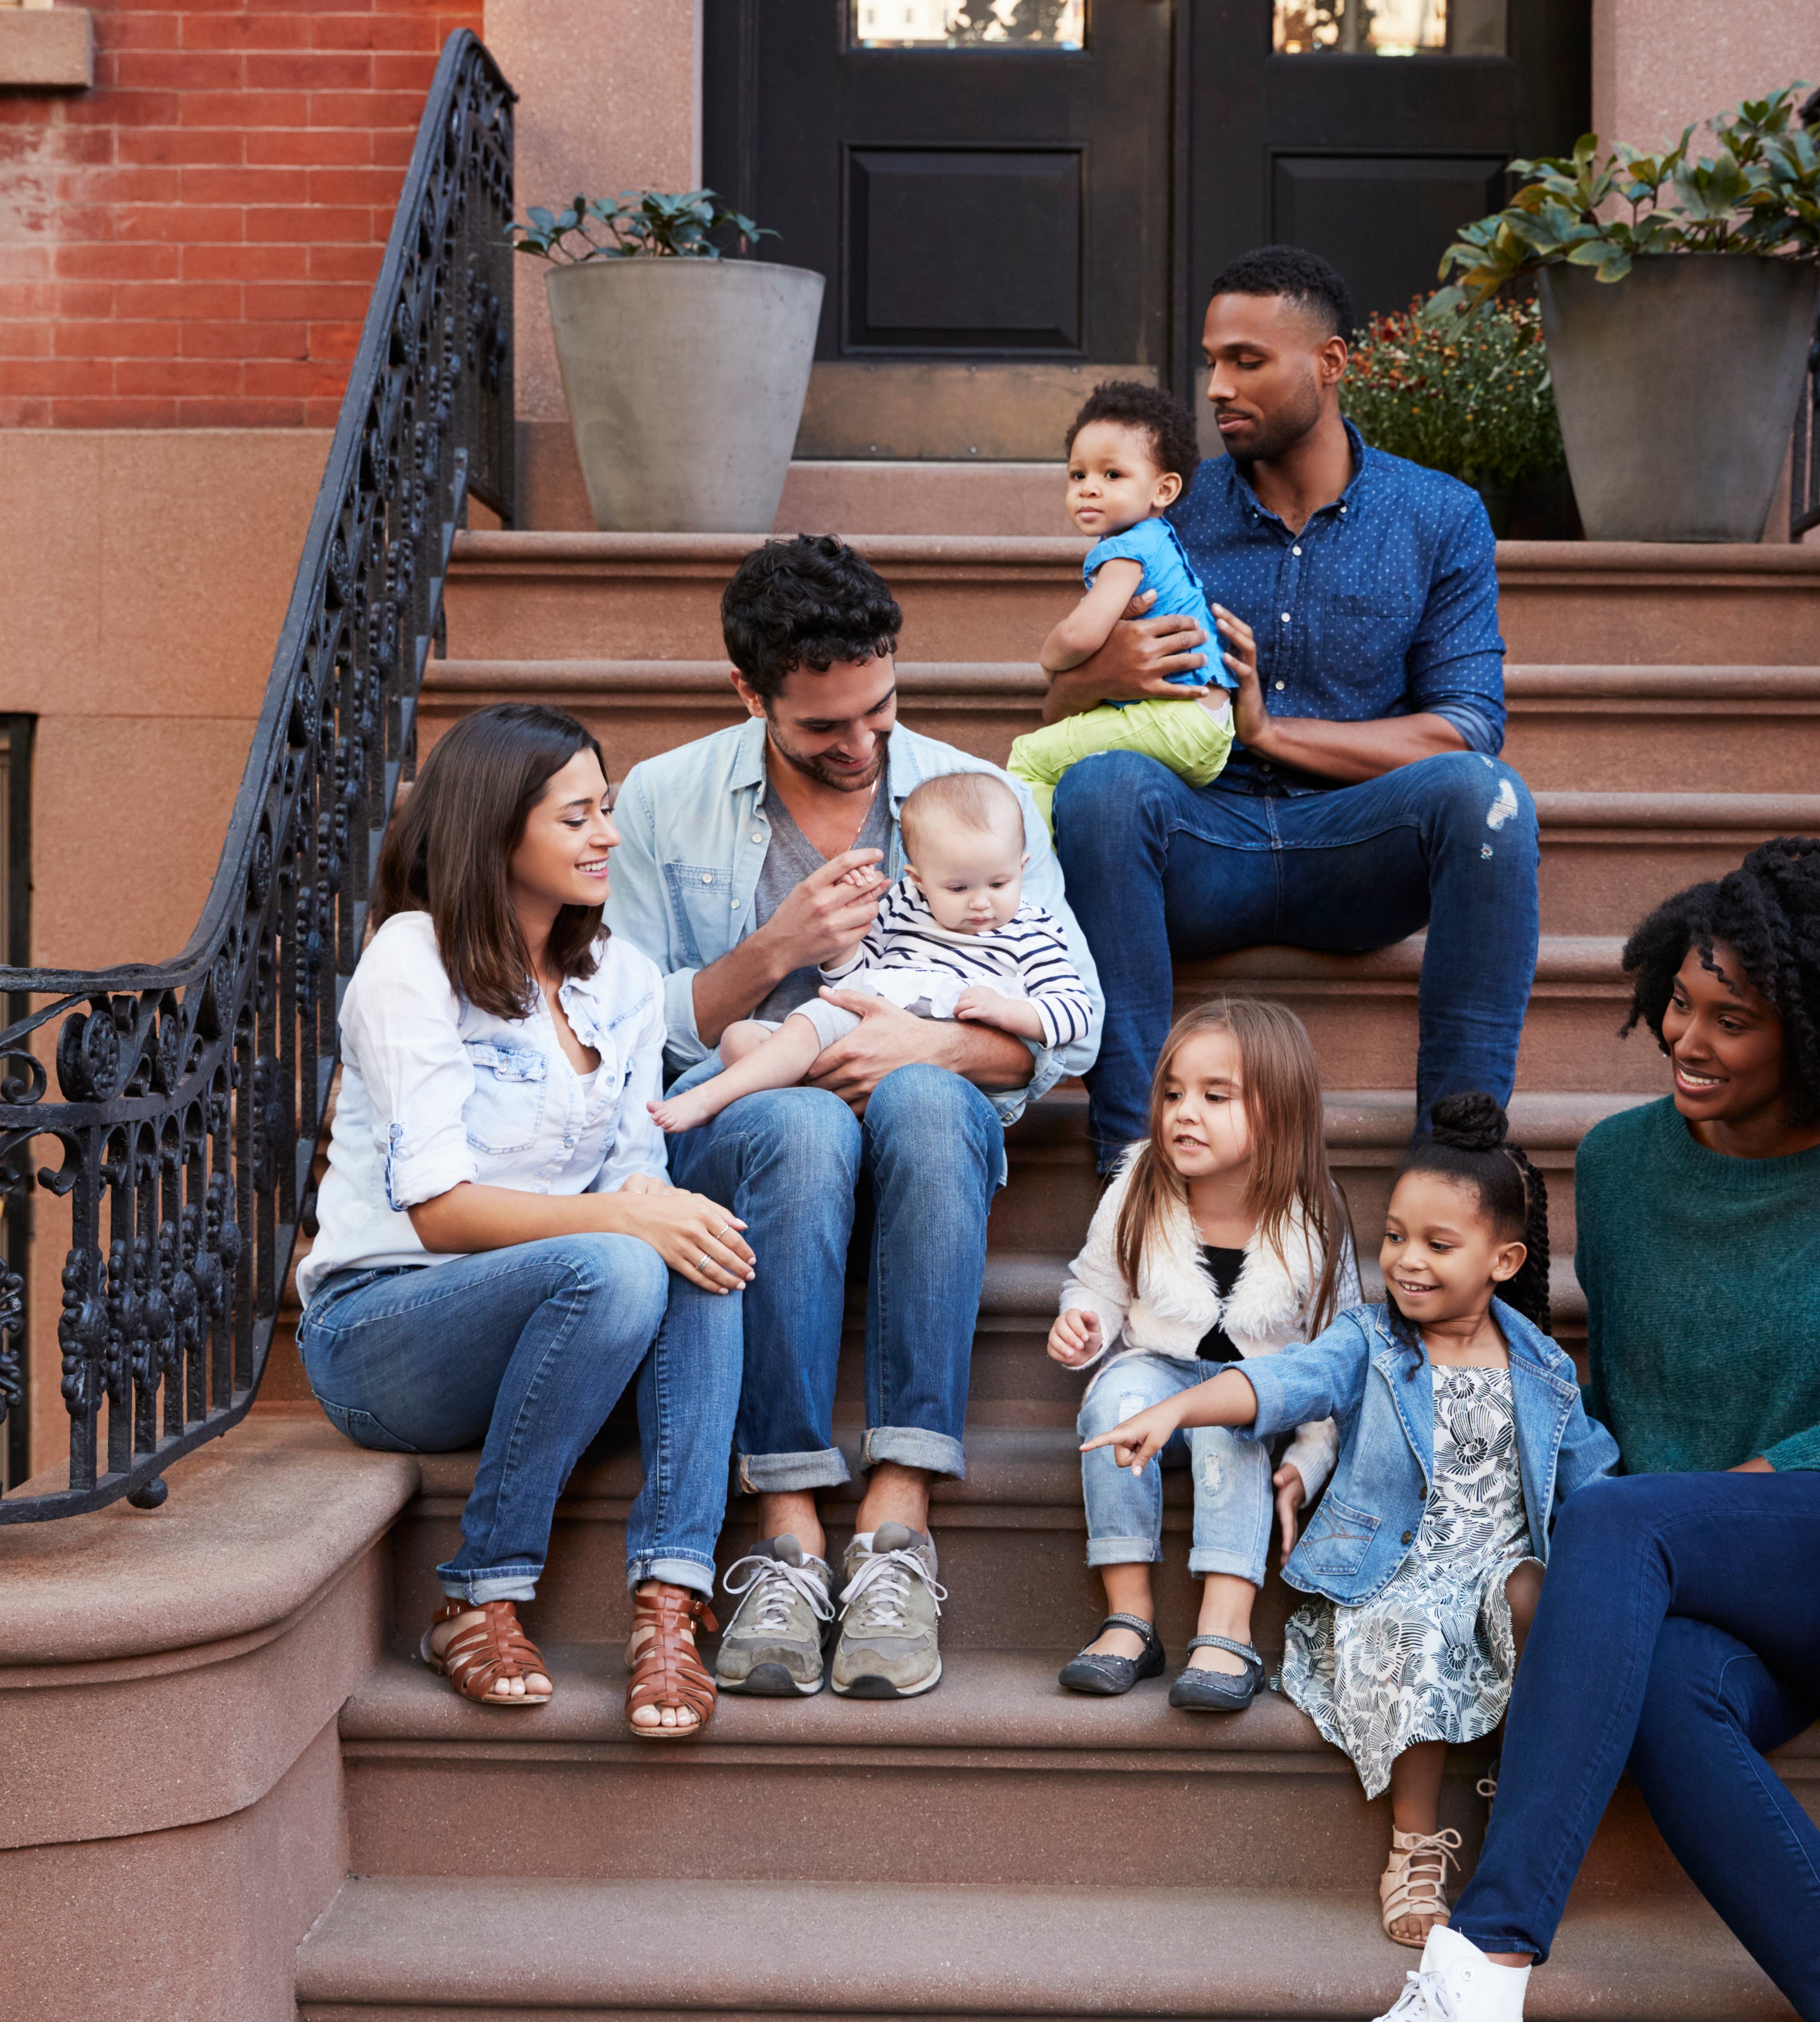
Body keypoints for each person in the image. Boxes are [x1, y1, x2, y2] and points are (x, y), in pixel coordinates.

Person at [1254, 837, 1820, 2022]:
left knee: (1618, 1525)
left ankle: (1485, 1979)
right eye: (1679, 1000)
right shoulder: (1619, 1163)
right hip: (1688, 1577)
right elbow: (1592, 1396)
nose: (1685, 1036)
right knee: (1656, 1683)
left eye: (1734, 1018)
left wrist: (1671, 1526)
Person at [604, 535, 1103, 1704]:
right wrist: (776, 950)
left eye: (879, 710)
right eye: (826, 726)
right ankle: (786, 1530)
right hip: (757, 1129)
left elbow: (1069, 1022)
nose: (862, 747)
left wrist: (919, 1041)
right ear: (749, 694)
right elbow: (621, 1024)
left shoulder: (980, 796)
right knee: (799, 1128)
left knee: (929, 1096)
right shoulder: (666, 801)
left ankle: (895, 1522)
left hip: (926, 1127)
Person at [294, 702, 750, 1740]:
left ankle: (669, 1603)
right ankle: (478, 1596)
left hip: (555, 1324)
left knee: (697, 1245)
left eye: (609, 810)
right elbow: (443, 1211)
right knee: (625, 1260)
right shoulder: (413, 960)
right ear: (496, 828)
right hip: (383, 1330)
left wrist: (656, 1213)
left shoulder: (621, 980)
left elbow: (640, 1182)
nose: (609, 836)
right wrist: (625, 1222)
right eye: (579, 815)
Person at [1085, 1092, 1619, 1950]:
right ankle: (1413, 1847)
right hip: (1393, 1575)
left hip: (1492, 1569)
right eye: (1395, 1236)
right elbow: (1281, 1380)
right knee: (1415, 1633)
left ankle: (1522, 1790)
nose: (1406, 1261)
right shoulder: (1368, 1342)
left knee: (1541, 1592)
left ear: (1504, 1258)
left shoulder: (1542, 1366)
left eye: (1438, 1245)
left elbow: (1592, 1479)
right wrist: (1179, 1409)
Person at [1047, 245, 1537, 1174]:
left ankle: (1459, 1167)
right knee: (1102, 787)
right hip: (1200, 844)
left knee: (1487, 798)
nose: (1218, 387)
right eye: (1210, 362)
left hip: (1356, 854)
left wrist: (1270, 731)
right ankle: (1130, 1168)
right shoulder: (1163, 518)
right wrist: (1096, 672)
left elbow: (1464, 725)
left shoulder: (1438, 516)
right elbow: (1062, 705)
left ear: (1330, 364)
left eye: (1246, 360)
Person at [1051, 999, 1346, 1711]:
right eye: (1174, 1092)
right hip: (1154, 1373)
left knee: (1230, 1417)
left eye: (1216, 1096)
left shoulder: (1311, 1215)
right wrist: (1080, 1324)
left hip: (1251, 1389)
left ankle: (1226, 1626)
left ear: (1278, 1113)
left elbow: (1335, 1360)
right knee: (1114, 1400)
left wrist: (1307, 1462)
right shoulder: (1138, 1185)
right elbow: (1094, 1282)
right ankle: (1129, 1617)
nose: (1185, 1111)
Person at [647, 772, 1093, 1136]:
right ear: (919, 879)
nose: (981, 902)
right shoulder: (902, 905)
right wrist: (845, 944)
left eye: (999, 884)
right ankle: (816, 1091)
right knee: (738, 1039)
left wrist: (1010, 1012)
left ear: (1022, 867)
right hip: (863, 1024)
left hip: (936, 1058)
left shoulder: (1031, 930)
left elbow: (1077, 1013)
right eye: (958, 888)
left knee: (809, 1024)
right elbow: (854, 982)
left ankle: (709, 1098)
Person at [1004, 380, 1237, 830]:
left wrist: (1049, 660)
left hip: (1181, 719)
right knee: (1066, 764)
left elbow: (1080, 635)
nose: (1089, 488)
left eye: (1112, 475)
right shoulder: (1158, 539)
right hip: (1208, 722)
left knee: (1028, 758)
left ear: (1164, 490)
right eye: (1078, 475)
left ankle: (1034, 890)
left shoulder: (1126, 550)